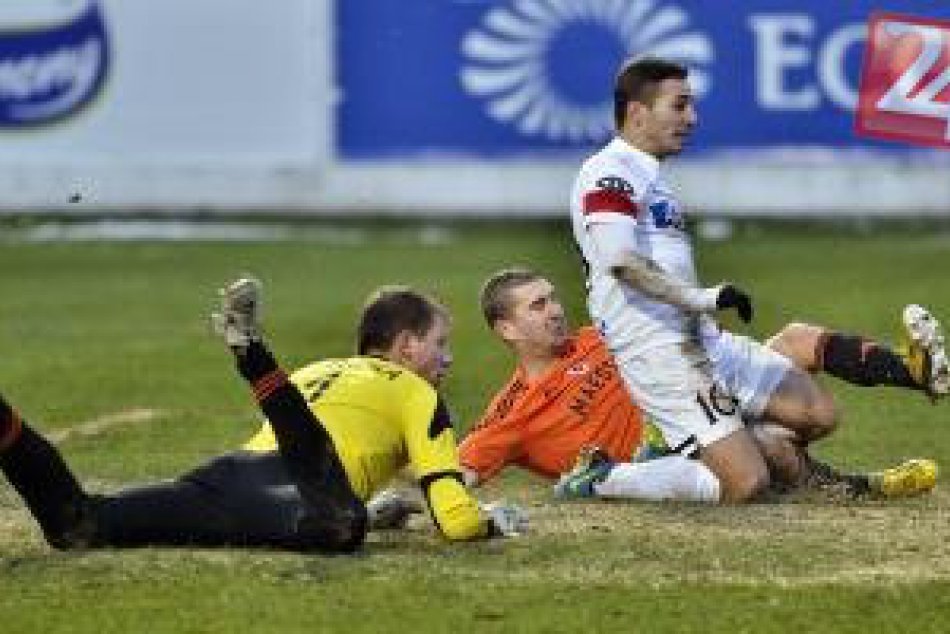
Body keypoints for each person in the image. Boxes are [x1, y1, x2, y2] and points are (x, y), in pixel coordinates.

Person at [568, 56, 950, 502]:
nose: (692, 118)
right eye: (680, 106)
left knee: (819, 414)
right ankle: (608, 476)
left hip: (702, 340)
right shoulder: (610, 172)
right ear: (637, 112)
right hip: (658, 355)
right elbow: (621, 261)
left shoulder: (650, 175)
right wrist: (702, 298)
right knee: (745, 484)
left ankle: (712, 446)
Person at [0, 277, 526, 553]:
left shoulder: (319, 370)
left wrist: (373, 504)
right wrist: (489, 523)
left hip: (232, 482)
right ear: (407, 347)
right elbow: (454, 517)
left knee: (79, 523)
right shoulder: (417, 393)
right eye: (441, 343)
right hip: (311, 496)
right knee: (338, 513)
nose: (450, 358)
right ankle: (250, 352)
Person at [458, 268, 940, 502]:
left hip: (707, 401)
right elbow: (457, 476)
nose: (556, 310)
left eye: (553, 299)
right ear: (507, 330)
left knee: (794, 340)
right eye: (537, 306)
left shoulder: (599, 336)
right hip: (675, 450)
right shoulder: (512, 413)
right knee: (773, 449)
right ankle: (861, 487)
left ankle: (917, 372)